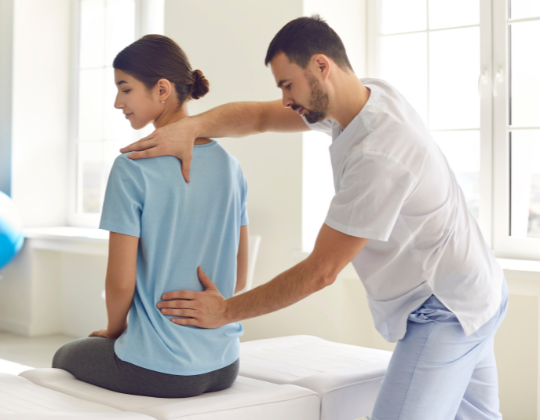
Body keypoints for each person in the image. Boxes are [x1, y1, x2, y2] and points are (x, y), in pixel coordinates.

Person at [124, 16, 508, 420]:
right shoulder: (366, 97)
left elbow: (321, 271)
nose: (286, 99)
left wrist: (225, 311)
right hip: (477, 284)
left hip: (446, 305)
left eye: (288, 84)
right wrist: (192, 127)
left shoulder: (379, 153)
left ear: (322, 67)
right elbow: (259, 117)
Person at [52, 34, 249, 399]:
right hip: (225, 364)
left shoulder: (132, 167)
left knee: (64, 355)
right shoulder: (230, 166)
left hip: (160, 370)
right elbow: (240, 270)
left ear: (162, 90)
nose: (116, 102)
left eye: (125, 89)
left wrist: (113, 330)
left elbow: (120, 282)